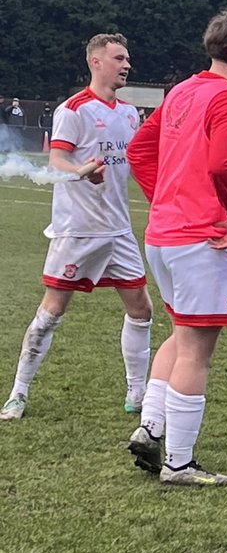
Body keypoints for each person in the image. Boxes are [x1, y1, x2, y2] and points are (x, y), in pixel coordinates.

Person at [125, 9, 227, 486]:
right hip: (199, 237)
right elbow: (221, 166)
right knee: (197, 349)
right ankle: (180, 463)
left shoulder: (182, 91)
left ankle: (151, 428)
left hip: (162, 234)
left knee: (180, 334)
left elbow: (138, 152)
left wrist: (164, 197)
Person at [0, 35, 152, 422]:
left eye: (128, 58)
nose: (127, 64)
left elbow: (137, 161)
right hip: (77, 230)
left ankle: (138, 393)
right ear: (96, 62)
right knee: (51, 312)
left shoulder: (131, 114)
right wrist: (82, 172)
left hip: (118, 230)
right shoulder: (74, 109)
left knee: (141, 308)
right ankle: (18, 393)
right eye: (119, 58)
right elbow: (58, 160)